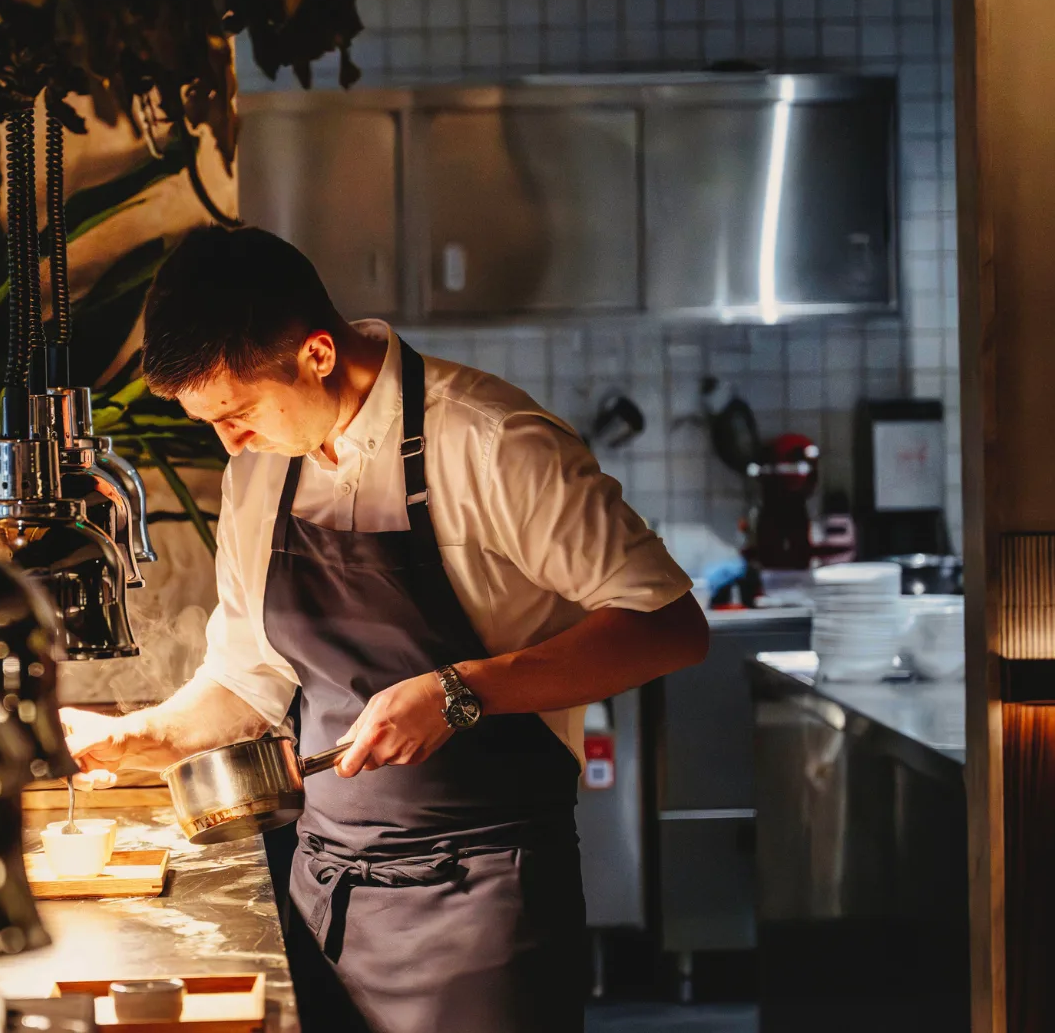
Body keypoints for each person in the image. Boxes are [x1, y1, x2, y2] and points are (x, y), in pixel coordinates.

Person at [63, 228, 709, 1032]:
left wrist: (460, 692)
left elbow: (669, 627)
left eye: (238, 414)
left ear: (318, 355)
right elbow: (249, 678)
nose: (229, 444)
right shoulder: (260, 469)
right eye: (211, 422)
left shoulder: (492, 441)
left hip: (483, 905)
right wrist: (145, 735)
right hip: (326, 890)